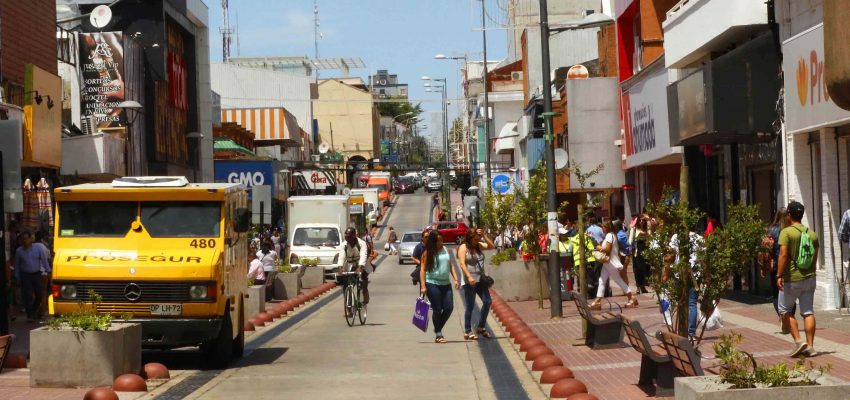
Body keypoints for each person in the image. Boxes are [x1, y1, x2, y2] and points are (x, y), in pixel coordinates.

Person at [777, 201, 819, 357]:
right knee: (808, 311)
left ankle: (799, 341)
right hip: (810, 277)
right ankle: (811, 347)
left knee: (785, 310)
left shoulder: (787, 233)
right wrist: (811, 271)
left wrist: (779, 275)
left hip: (792, 278)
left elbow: (783, 254)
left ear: (789, 215)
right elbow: (815, 257)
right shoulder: (812, 233)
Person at [663, 221, 705, 340]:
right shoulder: (699, 238)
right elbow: (703, 259)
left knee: (681, 302)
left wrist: (666, 271)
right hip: (695, 275)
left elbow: (670, 256)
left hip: (679, 274)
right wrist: (707, 276)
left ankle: (681, 330)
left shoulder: (676, 237)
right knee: (692, 304)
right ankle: (691, 333)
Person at [419, 230, 459, 343]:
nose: (441, 242)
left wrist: (456, 279)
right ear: (433, 241)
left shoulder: (445, 249)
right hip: (432, 282)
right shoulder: (427, 253)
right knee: (437, 308)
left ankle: (437, 328)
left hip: (446, 283)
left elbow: (450, 265)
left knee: (449, 308)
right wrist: (423, 285)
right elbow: (422, 269)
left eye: (442, 240)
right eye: (438, 240)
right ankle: (438, 334)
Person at [457, 228, 495, 340]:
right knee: (470, 306)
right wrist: (469, 277)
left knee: (487, 301)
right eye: (475, 239)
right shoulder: (463, 247)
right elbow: (462, 264)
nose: (476, 241)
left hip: (481, 280)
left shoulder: (478, 245)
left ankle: (481, 327)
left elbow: (492, 246)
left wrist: (484, 236)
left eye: (478, 239)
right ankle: (467, 331)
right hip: (470, 281)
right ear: (470, 238)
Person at [590, 220, 637, 309]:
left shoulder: (609, 236)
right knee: (602, 280)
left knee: (618, 280)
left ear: (607, 227)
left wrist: (598, 247)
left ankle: (632, 298)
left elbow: (607, 249)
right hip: (607, 262)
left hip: (610, 262)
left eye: (603, 226)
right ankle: (598, 301)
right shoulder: (611, 235)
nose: (602, 228)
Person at [13, 231, 51, 322]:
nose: (24, 241)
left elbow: (44, 260)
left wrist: (48, 270)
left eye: (25, 238)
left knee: (39, 294)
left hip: (37, 274)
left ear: (30, 239)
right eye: (22, 239)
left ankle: (34, 311)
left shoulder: (38, 248)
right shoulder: (19, 251)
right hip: (25, 275)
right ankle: (30, 315)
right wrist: (17, 276)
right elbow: (17, 265)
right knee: (28, 295)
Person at [342, 227, 371, 307]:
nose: (348, 239)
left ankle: (365, 292)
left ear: (354, 236)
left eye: (349, 236)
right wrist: (340, 267)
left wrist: (361, 266)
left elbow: (363, 255)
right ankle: (348, 304)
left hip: (361, 263)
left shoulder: (361, 243)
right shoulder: (344, 244)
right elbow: (341, 256)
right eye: (346, 237)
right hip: (350, 265)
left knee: (363, 278)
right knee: (346, 284)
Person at [629, 216, 651, 294]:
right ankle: (638, 286)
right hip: (637, 250)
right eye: (640, 220)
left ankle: (643, 286)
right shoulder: (634, 229)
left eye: (643, 220)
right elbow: (630, 240)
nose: (641, 222)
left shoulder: (646, 230)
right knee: (637, 269)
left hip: (645, 249)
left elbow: (650, 237)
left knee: (644, 268)